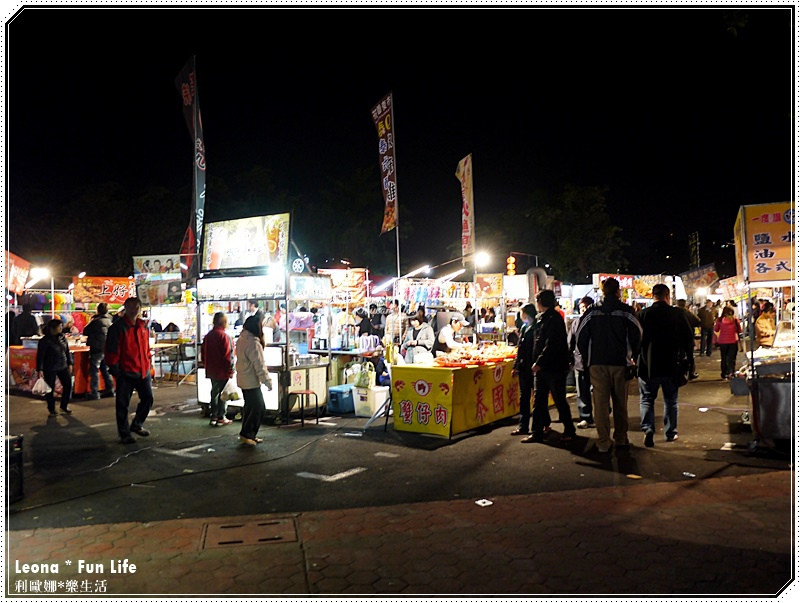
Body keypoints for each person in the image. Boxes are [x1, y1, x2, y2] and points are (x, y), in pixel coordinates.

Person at [576, 277, 642, 453]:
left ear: (602, 291)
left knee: (601, 404)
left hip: (596, 364)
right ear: (618, 291)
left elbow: (580, 337)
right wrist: (633, 357)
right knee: (621, 404)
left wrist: (587, 358)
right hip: (621, 363)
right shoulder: (626, 311)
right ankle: (621, 438)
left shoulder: (592, 311)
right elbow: (638, 335)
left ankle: (604, 442)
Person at [636, 284, 695, 447]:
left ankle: (648, 428)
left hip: (648, 365)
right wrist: (690, 364)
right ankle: (671, 432)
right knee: (671, 400)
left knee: (647, 399)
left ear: (652, 296)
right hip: (672, 365)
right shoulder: (678, 314)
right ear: (667, 295)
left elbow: (635, 341)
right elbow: (688, 341)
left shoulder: (642, 314)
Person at [521, 290, 575, 443]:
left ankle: (569, 429)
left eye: (537, 300)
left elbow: (551, 345)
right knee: (539, 401)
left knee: (559, 400)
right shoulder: (542, 318)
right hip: (544, 367)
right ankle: (536, 432)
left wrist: (539, 362)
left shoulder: (553, 319)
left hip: (554, 367)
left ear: (541, 302)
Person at [105, 297, 154, 444]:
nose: (134, 309)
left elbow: (146, 349)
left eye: (137, 306)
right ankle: (124, 433)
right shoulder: (117, 328)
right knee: (122, 404)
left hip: (143, 370)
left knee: (148, 399)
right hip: (125, 372)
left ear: (140, 308)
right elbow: (112, 351)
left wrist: (148, 363)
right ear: (125, 307)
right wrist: (116, 371)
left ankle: (137, 424)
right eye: (131, 306)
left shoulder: (143, 326)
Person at [236, 315, 273, 446]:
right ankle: (248, 434)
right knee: (259, 407)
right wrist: (267, 381)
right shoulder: (253, 343)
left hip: (243, 378)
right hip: (250, 380)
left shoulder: (242, 339)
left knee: (250, 407)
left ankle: (247, 434)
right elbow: (259, 365)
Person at [35, 318, 74, 416]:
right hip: (50, 367)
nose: (61, 329)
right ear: (53, 328)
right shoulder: (45, 341)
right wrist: (40, 369)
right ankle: (51, 408)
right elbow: (40, 356)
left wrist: (70, 363)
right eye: (59, 327)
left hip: (63, 365)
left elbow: (67, 351)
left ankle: (64, 405)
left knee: (68, 385)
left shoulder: (62, 338)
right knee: (50, 389)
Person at [202, 312, 235, 427]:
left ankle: (214, 416)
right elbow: (228, 356)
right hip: (222, 370)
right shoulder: (225, 336)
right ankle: (221, 416)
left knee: (214, 392)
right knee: (223, 394)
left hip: (211, 370)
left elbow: (203, 354)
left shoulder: (208, 336)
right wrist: (231, 370)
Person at [567, 296, 595, 429]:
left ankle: (603, 412)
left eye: (585, 307)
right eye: (581, 308)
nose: (583, 310)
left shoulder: (597, 321)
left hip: (596, 362)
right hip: (580, 363)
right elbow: (570, 343)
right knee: (582, 392)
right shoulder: (576, 323)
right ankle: (586, 417)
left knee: (599, 390)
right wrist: (570, 359)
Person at [511, 303, 537, 436]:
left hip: (534, 367)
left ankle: (542, 425)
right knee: (524, 397)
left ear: (526, 313)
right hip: (524, 367)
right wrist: (516, 366)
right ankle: (523, 426)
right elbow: (519, 349)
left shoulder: (537, 328)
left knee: (537, 398)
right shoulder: (524, 328)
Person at [82, 302, 114, 399]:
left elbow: (85, 331)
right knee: (105, 370)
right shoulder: (109, 321)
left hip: (96, 348)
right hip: (107, 348)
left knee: (94, 371)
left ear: (98, 310)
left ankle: (94, 392)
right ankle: (110, 389)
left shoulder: (96, 321)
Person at [714, 305, 743, 380]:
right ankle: (731, 372)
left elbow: (716, 329)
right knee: (732, 358)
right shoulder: (735, 320)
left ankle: (724, 373)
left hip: (723, 342)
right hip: (733, 341)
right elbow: (739, 330)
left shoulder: (719, 320)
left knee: (724, 358)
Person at [676, 299, 701, 379]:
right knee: (690, 356)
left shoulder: (674, 312)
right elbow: (698, 321)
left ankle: (680, 373)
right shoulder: (688, 313)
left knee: (679, 356)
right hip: (688, 337)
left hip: (677, 338)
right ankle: (691, 373)